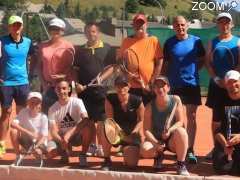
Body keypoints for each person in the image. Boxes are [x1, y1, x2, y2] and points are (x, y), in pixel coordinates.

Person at [163, 16, 205, 163]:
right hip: (174, 86)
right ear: (173, 27)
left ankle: (190, 150)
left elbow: (201, 60)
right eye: (177, 25)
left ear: (187, 25)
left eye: (182, 24)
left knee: (192, 117)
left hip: (192, 85)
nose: (180, 27)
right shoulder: (169, 43)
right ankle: (181, 146)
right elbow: (166, 64)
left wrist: (191, 73)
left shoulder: (197, 41)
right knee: (178, 119)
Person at [73, 22, 116, 156]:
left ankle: (102, 146)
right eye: (88, 32)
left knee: (102, 122)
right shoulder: (80, 51)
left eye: (93, 31)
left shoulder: (108, 48)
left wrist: (101, 79)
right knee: (89, 121)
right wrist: (76, 85)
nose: (91, 34)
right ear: (85, 33)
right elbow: (75, 70)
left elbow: (112, 68)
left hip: (102, 91)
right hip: (85, 93)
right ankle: (92, 145)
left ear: (98, 33)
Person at [205, 12, 240, 159]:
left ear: (231, 24)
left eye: (227, 22)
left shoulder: (238, 42)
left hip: (234, 85)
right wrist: (216, 78)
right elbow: (208, 63)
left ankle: (235, 147)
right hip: (217, 85)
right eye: (221, 22)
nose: (224, 25)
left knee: (236, 116)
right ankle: (217, 147)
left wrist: (230, 80)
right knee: (216, 119)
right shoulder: (212, 42)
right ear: (217, 24)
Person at [0, 15, 36, 157]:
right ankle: (1, 145)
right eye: (13, 25)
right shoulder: (2, 41)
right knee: (6, 114)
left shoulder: (28, 42)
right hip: (6, 84)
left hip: (23, 83)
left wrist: (31, 73)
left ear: (22, 27)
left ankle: (22, 144)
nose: (16, 27)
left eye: (18, 25)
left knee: (22, 115)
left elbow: (34, 57)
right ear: (9, 27)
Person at [140, 76, 189, 176]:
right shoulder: (149, 107)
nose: (160, 89)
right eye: (157, 86)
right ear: (154, 89)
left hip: (171, 140)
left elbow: (180, 121)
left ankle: (181, 164)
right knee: (144, 150)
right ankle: (159, 156)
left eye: (163, 86)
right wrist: (157, 143)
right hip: (156, 140)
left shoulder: (176, 99)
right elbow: (146, 130)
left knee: (182, 132)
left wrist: (170, 130)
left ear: (168, 88)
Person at [99, 75, 144, 170]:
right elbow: (110, 119)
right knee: (105, 127)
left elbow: (142, 120)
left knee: (131, 164)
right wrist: (120, 133)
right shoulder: (110, 99)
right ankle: (107, 159)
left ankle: (126, 151)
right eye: (118, 86)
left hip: (132, 134)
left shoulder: (137, 100)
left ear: (129, 87)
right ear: (115, 87)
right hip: (117, 133)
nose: (121, 88)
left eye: (124, 86)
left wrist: (134, 132)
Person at [118, 13, 163, 105]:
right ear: (133, 26)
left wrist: (151, 82)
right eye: (136, 24)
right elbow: (120, 61)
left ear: (146, 25)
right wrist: (127, 74)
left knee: (151, 116)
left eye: (141, 24)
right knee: (135, 117)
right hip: (131, 87)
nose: (139, 26)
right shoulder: (126, 41)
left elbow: (159, 62)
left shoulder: (153, 40)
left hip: (150, 87)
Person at [47, 80, 94, 167]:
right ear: (55, 91)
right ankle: (65, 153)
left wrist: (69, 133)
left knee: (88, 128)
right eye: (59, 89)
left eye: (64, 88)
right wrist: (63, 142)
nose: (61, 91)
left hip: (76, 135)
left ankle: (83, 155)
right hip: (62, 138)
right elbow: (53, 131)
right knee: (50, 154)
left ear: (69, 89)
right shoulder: (52, 109)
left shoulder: (77, 102)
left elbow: (85, 119)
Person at [38, 17, 75, 114]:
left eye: (58, 29)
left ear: (62, 31)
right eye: (52, 28)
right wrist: (44, 84)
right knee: (48, 115)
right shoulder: (42, 46)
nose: (55, 31)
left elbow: (72, 67)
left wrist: (64, 76)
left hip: (64, 87)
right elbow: (39, 66)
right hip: (48, 87)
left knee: (65, 117)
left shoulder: (68, 46)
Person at [212, 70, 240, 175]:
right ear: (225, 85)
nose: (233, 85)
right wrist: (225, 145)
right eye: (229, 82)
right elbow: (216, 129)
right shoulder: (220, 100)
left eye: (235, 81)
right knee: (220, 168)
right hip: (226, 141)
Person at [10, 92, 48, 165]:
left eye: (37, 103)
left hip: (39, 143)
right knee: (13, 131)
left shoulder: (43, 117)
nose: (34, 105)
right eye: (32, 102)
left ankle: (38, 157)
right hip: (27, 141)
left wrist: (36, 147)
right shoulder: (23, 112)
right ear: (28, 103)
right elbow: (12, 124)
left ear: (40, 104)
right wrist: (29, 132)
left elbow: (44, 136)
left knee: (38, 151)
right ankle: (18, 156)